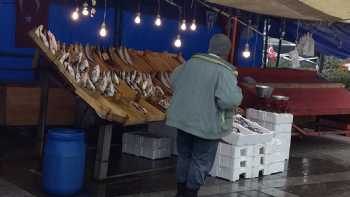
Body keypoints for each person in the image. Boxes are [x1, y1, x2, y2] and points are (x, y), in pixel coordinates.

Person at [166, 34, 243, 197]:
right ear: (227, 52)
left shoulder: (190, 63)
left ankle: (180, 192)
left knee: (184, 156)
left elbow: (173, 80)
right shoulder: (224, 70)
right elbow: (229, 100)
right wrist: (238, 92)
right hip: (206, 126)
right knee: (200, 161)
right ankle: (190, 193)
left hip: (183, 121)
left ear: (210, 46)